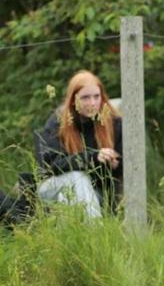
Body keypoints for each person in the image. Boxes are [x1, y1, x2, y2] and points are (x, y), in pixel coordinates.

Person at [34, 70, 123, 219]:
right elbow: (52, 165)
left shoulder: (114, 123)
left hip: (93, 193)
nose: (92, 103)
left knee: (67, 199)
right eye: (85, 98)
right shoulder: (58, 122)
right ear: (73, 100)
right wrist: (93, 157)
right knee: (78, 178)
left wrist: (114, 163)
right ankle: (96, 231)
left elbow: (123, 169)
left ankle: (72, 233)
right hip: (52, 186)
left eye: (96, 96)